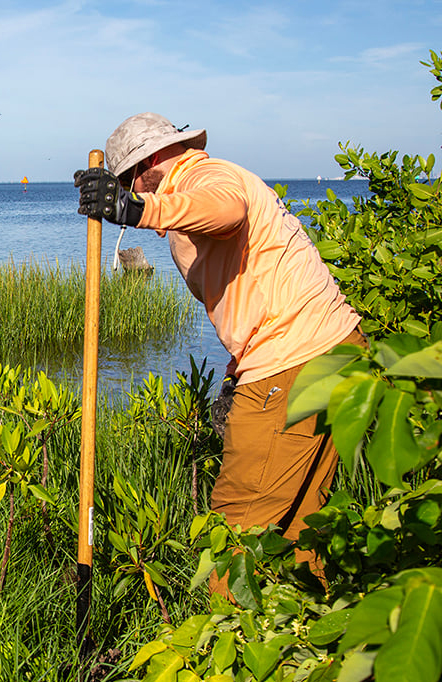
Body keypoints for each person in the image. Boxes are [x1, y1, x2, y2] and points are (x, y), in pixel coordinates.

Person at [75, 112, 365, 570]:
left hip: (293, 360)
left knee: (234, 532)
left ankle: (216, 637)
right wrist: (236, 373)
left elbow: (226, 210)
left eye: (132, 180)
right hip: (331, 348)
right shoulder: (198, 189)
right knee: (303, 524)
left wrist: (137, 212)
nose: (134, 189)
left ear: (149, 162)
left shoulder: (206, 175)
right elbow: (250, 290)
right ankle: (300, 630)